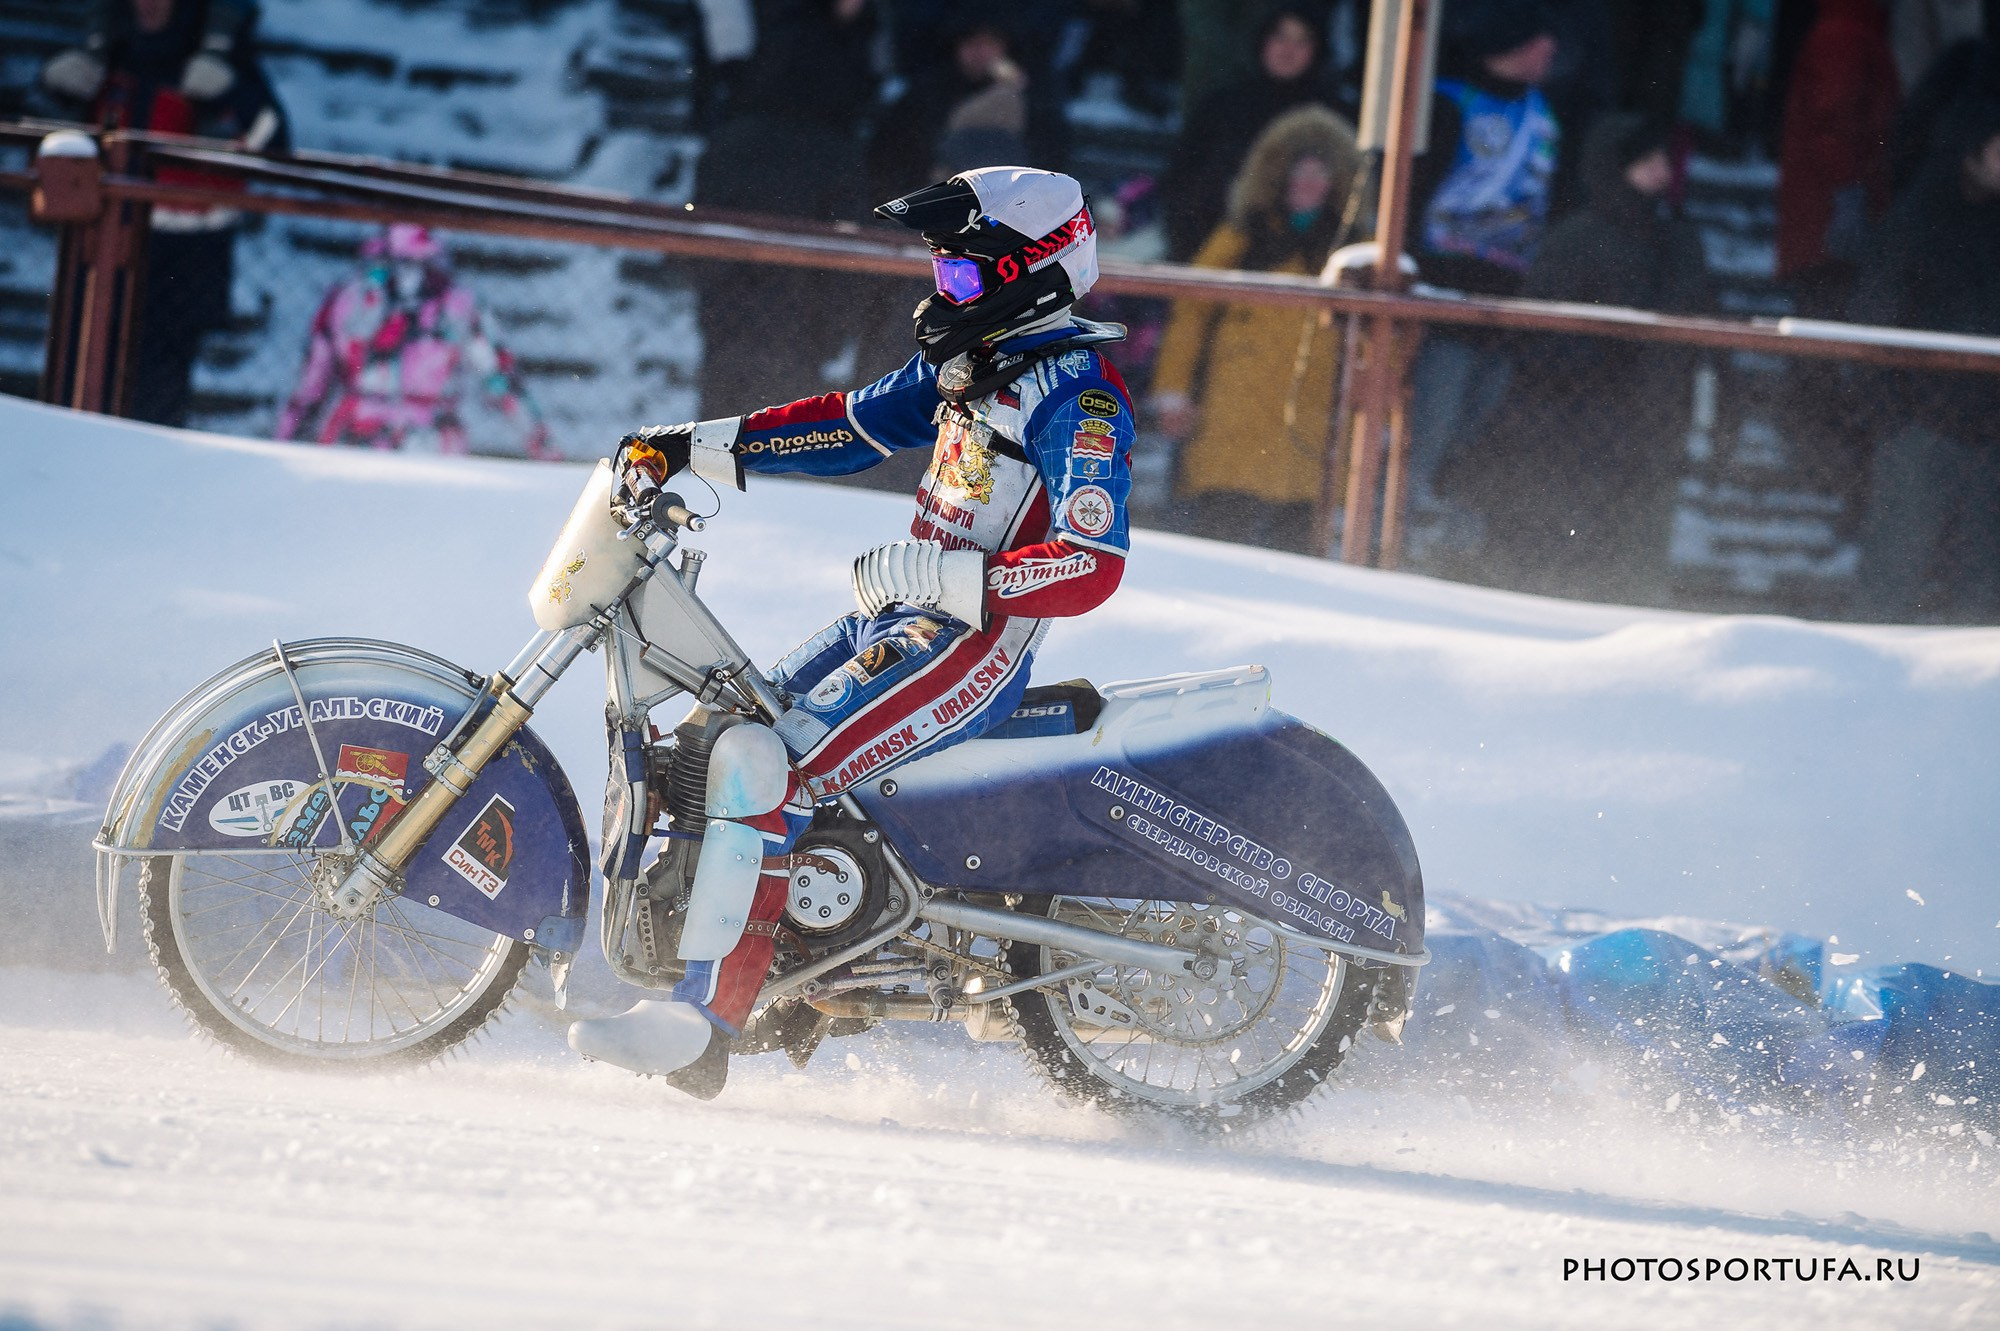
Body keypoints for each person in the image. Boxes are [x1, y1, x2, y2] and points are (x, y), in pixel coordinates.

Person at [566, 168, 1135, 1095]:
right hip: (902, 617)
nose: (941, 289)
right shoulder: (973, 367)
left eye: (959, 275)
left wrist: (967, 578)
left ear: (1030, 272)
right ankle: (759, 968)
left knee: (765, 761)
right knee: (722, 728)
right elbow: (848, 426)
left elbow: (1090, 561)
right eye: (941, 271)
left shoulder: (1075, 396)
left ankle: (705, 1025)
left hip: (973, 646)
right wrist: (693, 443)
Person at [1445, 115, 1710, 603]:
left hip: (1650, 426)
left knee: (1629, 559)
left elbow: (1703, 323)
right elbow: (1538, 336)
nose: (1660, 171)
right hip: (1567, 430)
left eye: (1662, 160)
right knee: (1554, 557)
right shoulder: (1578, 239)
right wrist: (1602, 362)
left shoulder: (1679, 241)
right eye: (1645, 161)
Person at [40, 0, 287, 427]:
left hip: (185, 254)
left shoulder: (223, 56)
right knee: (81, 378)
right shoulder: (108, 51)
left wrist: (230, 96)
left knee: (156, 395)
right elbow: (50, 142)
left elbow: (276, 142)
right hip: (101, 244)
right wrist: (51, 89)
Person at [1151, 105, 1361, 553]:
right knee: (1216, 535)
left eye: (1319, 176)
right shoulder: (1241, 236)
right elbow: (1191, 311)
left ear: (1337, 184)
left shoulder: (1351, 252)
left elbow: (1377, 343)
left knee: (1299, 545)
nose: (1308, 186)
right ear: (1279, 178)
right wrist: (1174, 390)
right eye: (1299, 174)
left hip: (1310, 421)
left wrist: (1372, 416)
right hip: (1229, 414)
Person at [1402, 1, 1560, 517]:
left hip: (1510, 296)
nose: (1550, 51)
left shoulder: (1545, 116)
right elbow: (1414, 191)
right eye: (1539, 40)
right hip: (1443, 289)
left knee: (1475, 420)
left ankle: (1443, 518)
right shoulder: (1448, 101)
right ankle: (1401, 517)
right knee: (1432, 415)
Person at [1847, 95, 2000, 622]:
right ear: (1971, 152)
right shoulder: (1917, 221)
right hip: (1922, 435)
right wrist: (1895, 422)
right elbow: (1873, 320)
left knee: (1983, 599)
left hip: (1991, 441)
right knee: (1891, 581)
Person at [275, 225, 553, 458]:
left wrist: (283, 447)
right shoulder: (454, 301)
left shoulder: (350, 295)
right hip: (402, 443)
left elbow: (310, 387)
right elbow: (500, 381)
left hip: (379, 439)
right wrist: (545, 448)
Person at [1161, 8, 1336, 262]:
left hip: (1305, 260)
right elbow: (1180, 182)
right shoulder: (1221, 106)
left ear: (1317, 49)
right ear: (1262, 41)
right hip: (1215, 252)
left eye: (1302, 40)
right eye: (1280, 37)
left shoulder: (1331, 117)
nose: (1288, 49)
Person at [1775, 0, 1900, 315]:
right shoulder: (1845, 35)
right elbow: (1831, 122)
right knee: (1824, 324)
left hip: (1830, 211)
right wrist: (1848, 194)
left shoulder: (1853, 30)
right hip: (1829, 214)